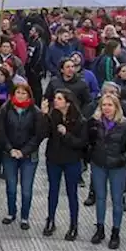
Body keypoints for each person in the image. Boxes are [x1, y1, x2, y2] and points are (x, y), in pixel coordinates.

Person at [0, 80, 47, 229]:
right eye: (18, 92)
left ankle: (25, 217)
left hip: (29, 156)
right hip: (9, 153)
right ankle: (11, 213)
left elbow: (38, 136)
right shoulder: (6, 109)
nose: (20, 95)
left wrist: (23, 151)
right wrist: (10, 149)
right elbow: (1, 131)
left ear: (29, 95)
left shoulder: (35, 112)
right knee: (10, 186)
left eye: (23, 93)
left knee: (26, 189)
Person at [88, 90, 126, 249]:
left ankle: (116, 231)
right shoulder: (94, 122)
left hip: (117, 166)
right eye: (104, 105)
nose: (107, 108)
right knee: (100, 198)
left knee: (117, 200)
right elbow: (89, 141)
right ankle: (100, 228)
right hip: (99, 164)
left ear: (116, 107)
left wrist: (122, 160)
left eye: (110, 105)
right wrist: (91, 156)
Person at [44, 89, 88, 241]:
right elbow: (43, 133)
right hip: (54, 159)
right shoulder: (52, 116)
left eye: (59, 98)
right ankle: (50, 219)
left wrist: (66, 134)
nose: (55, 101)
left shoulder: (80, 121)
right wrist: (44, 116)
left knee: (72, 193)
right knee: (53, 191)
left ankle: (73, 225)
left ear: (67, 102)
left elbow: (81, 143)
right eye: (55, 98)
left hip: (71, 160)